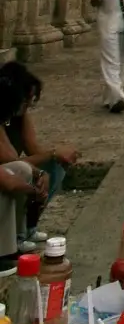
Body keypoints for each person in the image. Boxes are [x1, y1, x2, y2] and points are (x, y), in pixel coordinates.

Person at [0, 63, 80, 253]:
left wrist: (49, 163)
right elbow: (10, 159)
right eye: (26, 100)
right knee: (24, 170)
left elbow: (33, 149)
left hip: (12, 172)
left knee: (52, 166)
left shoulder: (20, 116)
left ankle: (29, 226)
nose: (29, 104)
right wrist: (50, 156)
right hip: (7, 175)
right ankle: (13, 238)